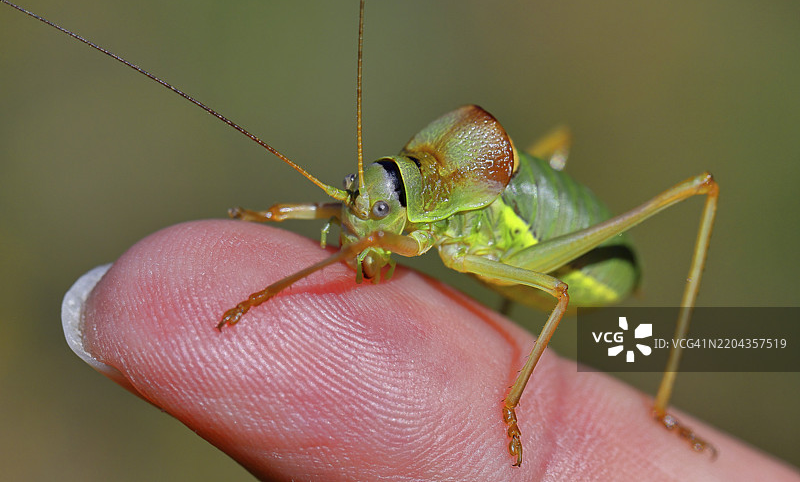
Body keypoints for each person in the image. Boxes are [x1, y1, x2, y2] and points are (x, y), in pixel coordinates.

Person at [70, 220, 799, 481]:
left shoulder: (456, 225)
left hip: (588, 264)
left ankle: (662, 407)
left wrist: (511, 408)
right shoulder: (411, 213)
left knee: (687, 197)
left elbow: (561, 298)